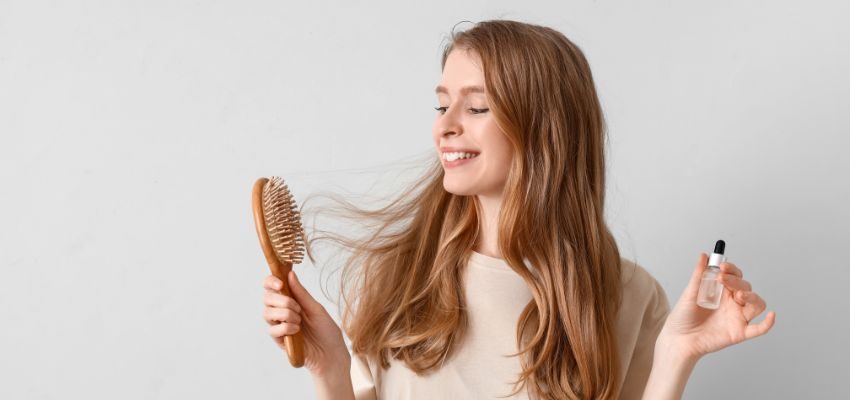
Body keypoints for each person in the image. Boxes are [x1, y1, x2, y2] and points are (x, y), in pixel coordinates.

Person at [261, 19, 776, 400]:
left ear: (544, 129)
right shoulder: (396, 278)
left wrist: (675, 356)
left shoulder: (627, 295)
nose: (445, 126)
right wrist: (329, 370)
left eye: (477, 107)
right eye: (442, 104)